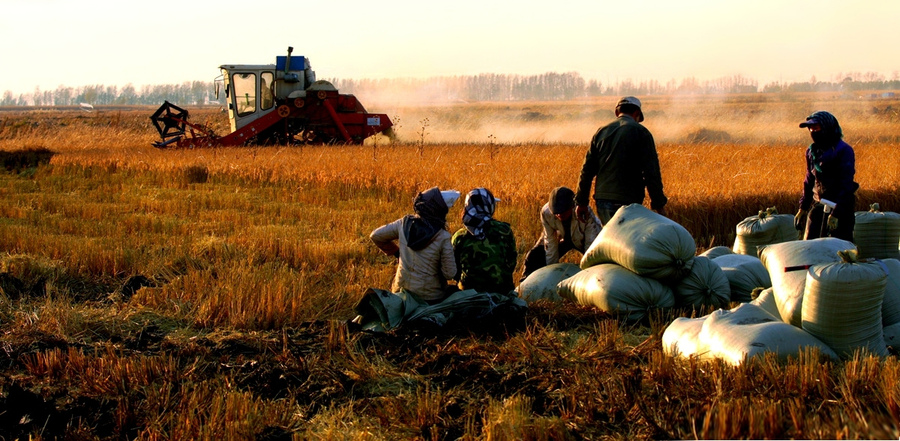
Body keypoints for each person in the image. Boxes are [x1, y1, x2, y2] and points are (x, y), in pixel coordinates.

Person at [574, 96, 667, 225]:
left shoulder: (601, 132)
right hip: (628, 201)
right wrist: (658, 204)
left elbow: (587, 170)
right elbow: (651, 173)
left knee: (611, 240)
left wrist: (581, 202)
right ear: (637, 113)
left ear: (617, 112)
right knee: (627, 242)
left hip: (602, 201)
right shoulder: (641, 132)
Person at [370, 187, 457, 303]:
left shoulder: (403, 224)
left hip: (401, 293)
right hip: (430, 297)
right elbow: (449, 273)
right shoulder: (443, 236)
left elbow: (376, 235)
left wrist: (397, 252)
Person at [794, 111, 858, 241]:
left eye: (816, 128)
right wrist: (803, 207)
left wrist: (836, 213)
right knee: (811, 246)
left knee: (838, 249)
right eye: (810, 128)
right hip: (819, 204)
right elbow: (809, 179)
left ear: (827, 128)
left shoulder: (843, 150)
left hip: (840, 207)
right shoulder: (812, 151)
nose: (813, 131)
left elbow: (846, 184)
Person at [521, 186, 602, 280]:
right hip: (562, 237)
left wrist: (589, 272)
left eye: (563, 212)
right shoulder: (546, 213)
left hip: (583, 238)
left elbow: (591, 244)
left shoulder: (584, 212)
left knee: (597, 263)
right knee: (534, 256)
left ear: (572, 206)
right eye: (556, 213)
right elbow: (550, 242)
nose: (559, 215)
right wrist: (551, 272)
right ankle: (525, 285)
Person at [451, 188, 517, 294]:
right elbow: (512, 262)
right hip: (503, 292)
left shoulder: (460, 237)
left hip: (470, 295)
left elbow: (454, 271)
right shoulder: (504, 231)